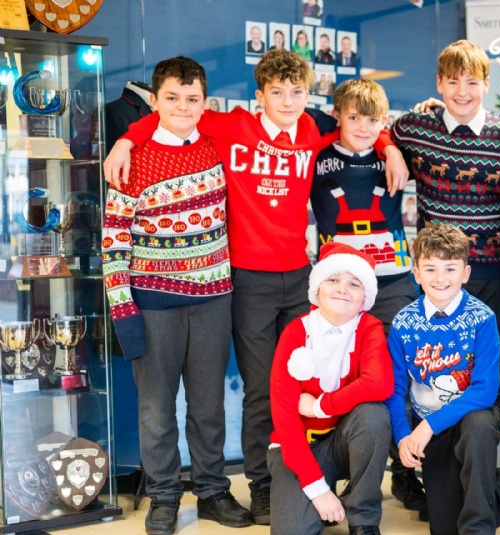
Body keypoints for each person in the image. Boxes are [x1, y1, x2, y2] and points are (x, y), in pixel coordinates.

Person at [103, 48, 408, 526]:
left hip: (300, 280)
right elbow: (175, 116)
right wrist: (126, 139)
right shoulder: (230, 128)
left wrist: (389, 146)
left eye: (297, 92)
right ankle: (259, 486)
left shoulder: (312, 128)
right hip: (244, 282)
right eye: (277, 92)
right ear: (259, 95)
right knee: (260, 389)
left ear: (307, 95)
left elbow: (359, 124)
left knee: (307, 380)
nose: (287, 101)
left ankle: (309, 474)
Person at [102, 56, 252, 535]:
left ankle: (211, 492)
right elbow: (113, 243)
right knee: (156, 409)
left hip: (213, 300)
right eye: (171, 98)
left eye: (192, 99)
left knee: (209, 406)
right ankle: (164, 496)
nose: (182, 107)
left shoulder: (216, 146)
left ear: (205, 102)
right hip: (152, 305)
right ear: (154, 100)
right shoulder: (131, 160)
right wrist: (124, 313)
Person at [310, 78, 424, 518]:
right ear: (337, 116)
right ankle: (337, 474)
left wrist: (389, 145)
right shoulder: (317, 153)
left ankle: (405, 470)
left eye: (372, 120)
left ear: (383, 121)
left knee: (400, 376)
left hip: (393, 281)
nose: (362, 127)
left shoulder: (393, 152)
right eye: (353, 117)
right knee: (339, 376)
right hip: (338, 287)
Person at [386, 223, 500, 535]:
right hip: (430, 418)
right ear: (416, 273)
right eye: (430, 269)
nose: (440, 278)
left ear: (466, 273)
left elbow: (484, 391)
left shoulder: (482, 318)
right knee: (444, 524)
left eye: (450, 268)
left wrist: (427, 427)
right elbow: (395, 390)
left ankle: (479, 528)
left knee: (477, 427)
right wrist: (403, 437)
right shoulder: (403, 323)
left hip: (476, 410)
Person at [390, 39, 500, 372]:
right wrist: (390, 150)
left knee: (486, 365)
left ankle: (488, 410)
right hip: (437, 271)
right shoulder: (415, 128)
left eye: (472, 82)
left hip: (492, 270)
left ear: (487, 84)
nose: (462, 92)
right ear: (439, 83)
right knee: (436, 363)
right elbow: (377, 134)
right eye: (453, 82)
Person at [268, 241, 393, 534]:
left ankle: (363, 520)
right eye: (333, 280)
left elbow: (379, 384)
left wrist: (319, 406)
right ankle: (320, 494)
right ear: (317, 289)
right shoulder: (295, 331)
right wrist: (317, 489)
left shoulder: (369, 327)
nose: (342, 290)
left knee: (373, 415)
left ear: (364, 297)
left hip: (343, 445)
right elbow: (285, 420)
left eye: (354, 284)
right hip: (297, 448)